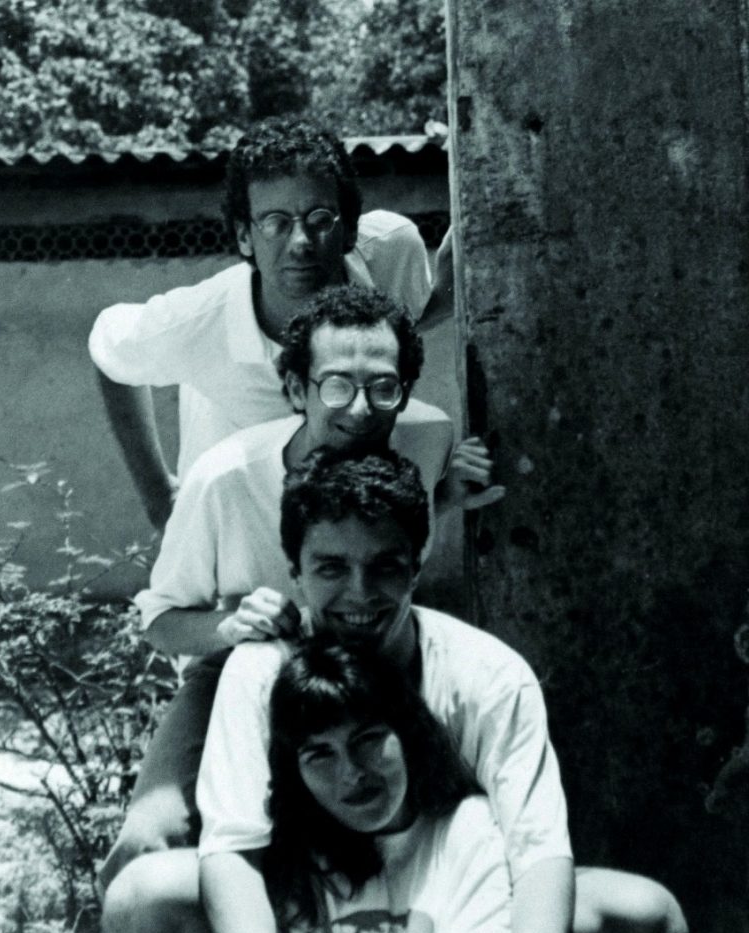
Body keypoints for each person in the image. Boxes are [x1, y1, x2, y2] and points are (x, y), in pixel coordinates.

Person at [102, 451, 686, 933]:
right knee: (146, 899)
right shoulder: (261, 671)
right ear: (293, 571)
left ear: (418, 561)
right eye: (331, 568)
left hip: (453, 918)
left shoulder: (487, 677)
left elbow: (536, 847)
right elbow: (231, 847)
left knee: (630, 931)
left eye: (384, 566)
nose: (359, 593)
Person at [98, 285, 500, 893]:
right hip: (240, 666)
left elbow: (388, 538)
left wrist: (445, 497)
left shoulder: (427, 440)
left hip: (371, 656)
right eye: (336, 386)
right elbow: (158, 621)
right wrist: (229, 627)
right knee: (149, 843)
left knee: (457, 819)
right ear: (294, 390)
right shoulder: (226, 477)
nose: (360, 409)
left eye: (383, 387)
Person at [204, 637, 638, 933]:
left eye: (368, 739)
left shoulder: (467, 827)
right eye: (319, 755)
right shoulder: (288, 857)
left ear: (406, 733)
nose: (351, 773)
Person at [88, 116, 453, 530]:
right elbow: (109, 348)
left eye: (319, 219)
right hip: (229, 538)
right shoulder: (200, 319)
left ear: (350, 228)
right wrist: (159, 498)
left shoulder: (390, 254)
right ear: (245, 237)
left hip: (349, 536)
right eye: (275, 223)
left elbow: (400, 326)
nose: (300, 243)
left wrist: (445, 300)